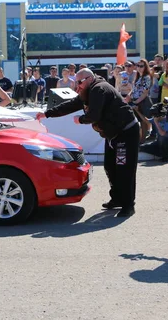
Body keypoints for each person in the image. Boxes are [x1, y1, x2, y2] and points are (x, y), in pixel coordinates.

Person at [36, 68, 139, 218]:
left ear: (89, 79)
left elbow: (93, 115)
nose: (77, 86)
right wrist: (47, 114)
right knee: (110, 166)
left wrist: (81, 119)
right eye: (76, 82)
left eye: (80, 82)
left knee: (124, 169)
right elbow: (71, 105)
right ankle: (117, 198)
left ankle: (128, 205)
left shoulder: (99, 89)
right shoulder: (87, 91)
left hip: (126, 132)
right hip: (113, 134)